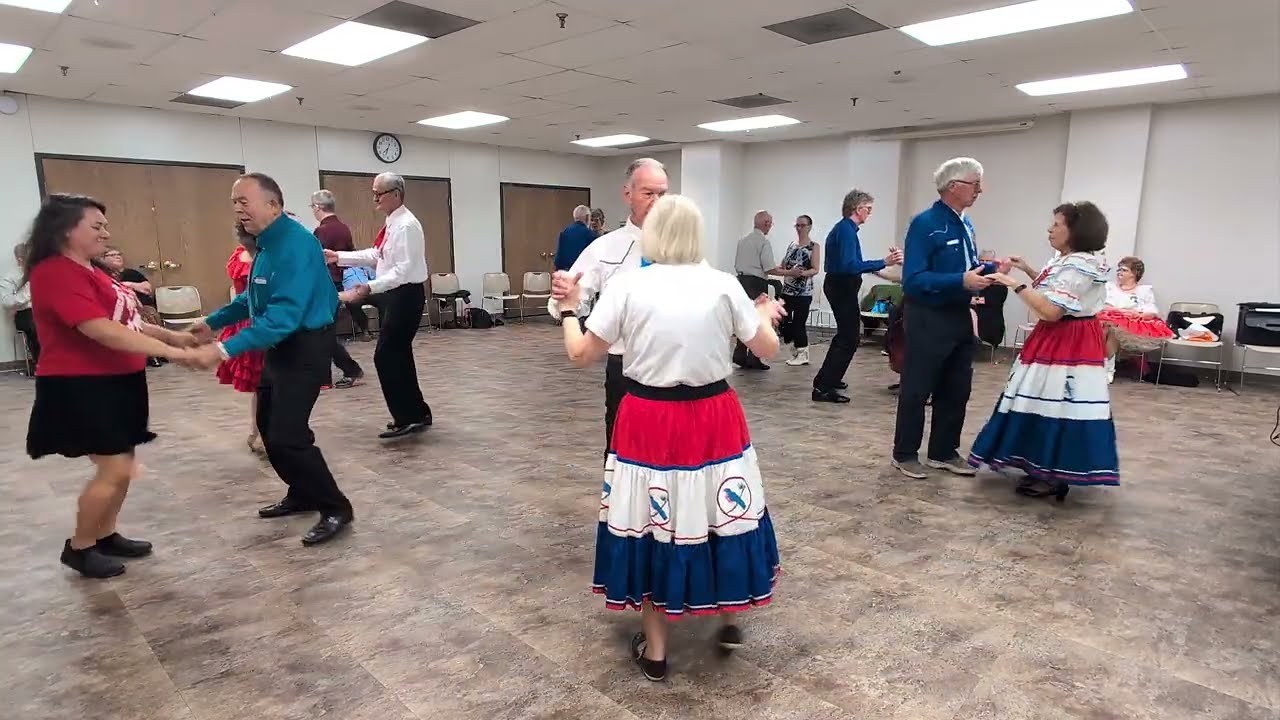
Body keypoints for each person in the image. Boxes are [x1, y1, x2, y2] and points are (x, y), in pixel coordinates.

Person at [552, 194, 783, 682]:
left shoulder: (629, 285)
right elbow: (767, 348)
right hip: (713, 414)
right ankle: (728, 618)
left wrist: (570, 309)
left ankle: (656, 651)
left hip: (647, 416)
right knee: (722, 507)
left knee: (650, 518)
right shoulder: (723, 285)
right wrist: (763, 316)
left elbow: (580, 355)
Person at [23, 194, 198, 578]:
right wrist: (174, 354)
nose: (105, 233)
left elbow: (128, 321)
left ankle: (104, 534)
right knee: (115, 468)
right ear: (65, 230)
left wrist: (175, 337)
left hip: (120, 380)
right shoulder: (54, 272)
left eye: (105, 226)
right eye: (96, 226)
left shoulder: (93, 269)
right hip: (82, 385)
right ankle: (80, 547)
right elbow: (100, 330)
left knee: (122, 464)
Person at [187, 173, 354, 546]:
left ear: (274, 205)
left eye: (244, 201)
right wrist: (212, 322)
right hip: (280, 347)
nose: (238, 209)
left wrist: (223, 349)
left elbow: (283, 316)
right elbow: (253, 298)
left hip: (305, 345)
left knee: (289, 435)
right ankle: (302, 492)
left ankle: (336, 507)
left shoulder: (296, 245)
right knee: (267, 425)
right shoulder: (266, 243)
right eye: (234, 202)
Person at [969, 202, 1119, 501]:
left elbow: (1052, 310)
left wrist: (1014, 284)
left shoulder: (1080, 264)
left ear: (1075, 230)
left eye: (1057, 225)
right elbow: (1055, 289)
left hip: (1069, 339)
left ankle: (1053, 473)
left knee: (1058, 402)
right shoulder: (1068, 260)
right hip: (1057, 337)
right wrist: (1026, 269)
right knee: (1038, 397)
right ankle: (1040, 466)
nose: (1050, 230)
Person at [892, 158, 1007, 479]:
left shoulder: (965, 223)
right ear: (953, 186)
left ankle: (943, 451)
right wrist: (960, 281)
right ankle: (905, 453)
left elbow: (966, 267)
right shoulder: (925, 224)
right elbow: (913, 279)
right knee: (917, 387)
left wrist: (992, 270)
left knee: (957, 387)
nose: (980, 190)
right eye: (975, 183)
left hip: (959, 314)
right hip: (927, 315)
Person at [549, 158, 669, 456]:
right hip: (625, 367)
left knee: (670, 452)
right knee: (620, 449)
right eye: (648, 193)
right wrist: (565, 295)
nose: (657, 202)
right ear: (628, 194)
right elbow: (570, 295)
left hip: (673, 366)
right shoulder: (605, 247)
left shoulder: (682, 247)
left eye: (663, 194)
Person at [324, 172, 432, 440]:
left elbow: (403, 270)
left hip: (405, 294)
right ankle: (417, 413)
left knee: (386, 356)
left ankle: (408, 416)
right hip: (395, 294)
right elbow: (377, 255)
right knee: (398, 355)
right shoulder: (393, 222)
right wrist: (339, 257)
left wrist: (369, 287)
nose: (375, 199)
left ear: (396, 194)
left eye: (379, 193)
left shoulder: (407, 226)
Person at [812, 190, 902, 403]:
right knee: (849, 338)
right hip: (842, 287)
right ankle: (824, 388)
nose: (869, 213)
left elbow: (853, 264)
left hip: (841, 286)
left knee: (846, 337)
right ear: (857, 208)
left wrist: (881, 268)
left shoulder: (846, 230)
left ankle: (827, 379)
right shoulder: (846, 231)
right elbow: (849, 265)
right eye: (868, 209)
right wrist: (883, 262)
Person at [214, 230, 267, 453]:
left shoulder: (266, 256)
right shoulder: (243, 255)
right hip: (250, 322)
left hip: (264, 321)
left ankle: (261, 431)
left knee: (266, 384)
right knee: (262, 384)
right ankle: (259, 431)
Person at [309, 189, 366, 388]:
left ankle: (345, 371)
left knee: (323, 331)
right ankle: (330, 376)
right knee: (325, 330)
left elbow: (316, 260)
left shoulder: (322, 231)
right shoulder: (343, 228)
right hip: (338, 282)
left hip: (324, 285)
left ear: (318, 207)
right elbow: (350, 255)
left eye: (313, 207)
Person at [1098, 255, 1172, 382]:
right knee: (1105, 326)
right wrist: (1122, 311)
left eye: (1124, 270)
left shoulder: (1144, 291)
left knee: (1113, 330)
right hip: (1108, 319)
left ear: (1134, 274)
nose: (1119, 272)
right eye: (1119, 269)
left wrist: (1136, 314)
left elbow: (1152, 312)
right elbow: (1101, 305)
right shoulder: (1109, 287)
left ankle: (1107, 370)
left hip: (1130, 325)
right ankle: (1102, 367)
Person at [732, 211, 778, 370]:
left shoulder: (742, 241)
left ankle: (739, 353)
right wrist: (790, 272)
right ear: (766, 224)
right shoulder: (764, 243)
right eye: (770, 223)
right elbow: (769, 268)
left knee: (743, 318)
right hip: (757, 283)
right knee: (758, 321)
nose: (770, 226)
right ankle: (754, 357)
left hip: (741, 281)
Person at [774, 215, 821, 366]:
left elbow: (815, 269)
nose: (799, 228)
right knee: (784, 320)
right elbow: (783, 264)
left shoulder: (814, 246)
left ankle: (803, 353)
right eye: (797, 225)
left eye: (802, 225)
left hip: (803, 293)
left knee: (799, 322)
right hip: (787, 290)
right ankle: (794, 347)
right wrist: (778, 270)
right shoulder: (792, 245)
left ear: (809, 227)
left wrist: (801, 274)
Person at [2, 242, 39, 371]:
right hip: (25, 314)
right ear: (20, 259)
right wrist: (27, 295)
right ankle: (41, 364)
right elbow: (6, 301)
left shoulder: (40, 272)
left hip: (43, 310)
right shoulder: (10, 278)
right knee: (36, 326)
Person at [972, 249, 1009, 349]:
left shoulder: (999, 279)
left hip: (990, 321)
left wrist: (972, 300)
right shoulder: (973, 275)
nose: (984, 263)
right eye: (981, 260)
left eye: (987, 261)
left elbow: (991, 301)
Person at [553, 205, 596, 271]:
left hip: (567, 271)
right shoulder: (590, 235)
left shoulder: (565, 232)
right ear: (587, 217)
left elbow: (559, 258)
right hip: (582, 272)